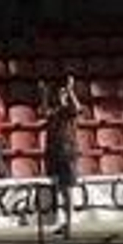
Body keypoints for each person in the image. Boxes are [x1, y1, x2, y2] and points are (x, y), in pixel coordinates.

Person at [41, 74, 83, 235]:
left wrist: (70, 91)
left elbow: (77, 108)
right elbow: (44, 112)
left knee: (67, 190)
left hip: (67, 153)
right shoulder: (55, 111)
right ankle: (64, 222)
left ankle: (69, 225)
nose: (60, 96)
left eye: (62, 94)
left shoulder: (69, 111)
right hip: (53, 153)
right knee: (58, 190)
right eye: (59, 94)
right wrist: (44, 95)